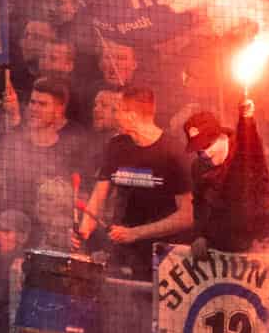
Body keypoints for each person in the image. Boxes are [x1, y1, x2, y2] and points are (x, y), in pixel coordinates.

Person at [76, 86, 193, 279]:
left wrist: (136, 233)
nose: (114, 116)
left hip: (164, 257)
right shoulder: (116, 145)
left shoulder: (174, 151)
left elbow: (187, 215)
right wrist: (84, 228)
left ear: (131, 115)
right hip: (122, 252)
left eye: (116, 111)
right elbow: (98, 197)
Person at [182, 100, 269, 254]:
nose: (205, 153)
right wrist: (200, 236)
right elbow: (199, 205)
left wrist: (246, 118)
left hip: (261, 240)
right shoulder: (198, 167)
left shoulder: (245, 155)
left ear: (221, 136)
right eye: (199, 150)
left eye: (208, 145)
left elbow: (250, 143)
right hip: (224, 242)